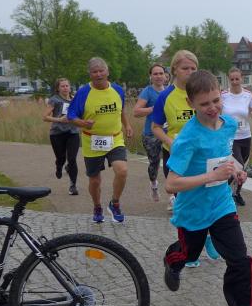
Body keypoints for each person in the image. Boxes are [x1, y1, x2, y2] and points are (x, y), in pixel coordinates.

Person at [162, 70, 252, 306]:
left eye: (216, 100)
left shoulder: (229, 124)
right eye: (204, 103)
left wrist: (237, 170)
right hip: (193, 212)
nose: (212, 108)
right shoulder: (188, 138)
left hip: (221, 205)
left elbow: (225, 156)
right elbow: (171, 183)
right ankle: (172, 262)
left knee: (240, 259)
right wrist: (212, 176)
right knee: (188, 254)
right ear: (191, 103)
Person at [67, 57, 133, 223]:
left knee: (122, 171)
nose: (98, 74)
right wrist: (83, 123)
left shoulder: (118, 90)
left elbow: (121, 110)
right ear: (89, 74)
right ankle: (97, 206)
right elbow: (71, 116)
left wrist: (127, 125)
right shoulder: (83, 92)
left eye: (101, 71)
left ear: (107, 71)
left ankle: (115, 203)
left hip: (115, 138)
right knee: (95, 180)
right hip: (92, 141)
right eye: (94, 72)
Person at [151, 50, 198, 212]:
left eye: (193, 68)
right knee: (183, 202)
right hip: (175, 154)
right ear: (174, 70)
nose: (190, 72)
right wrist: (170, 142)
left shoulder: (201, 92)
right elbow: (155, 127)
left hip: (199, 153)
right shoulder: (165, 96)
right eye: (185, 68)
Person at [221, 67, 252, 206]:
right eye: (232, 79)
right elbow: (217, 111)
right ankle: (223, 193)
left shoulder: (248, 95)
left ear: (241, 78)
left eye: (237, 79)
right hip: (230, 137)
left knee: (243, 167)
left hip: (245, 135)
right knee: (237, 165)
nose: (235, 82)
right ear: (229, 79)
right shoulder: (223, 95)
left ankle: (237, 193)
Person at [133, 63, 166, 202]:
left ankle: (173, 196)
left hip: (168, 133)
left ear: (165, 76)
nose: (158, 76)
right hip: (151, 134)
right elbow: (136, 112)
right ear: (150, 76)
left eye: (161, 73)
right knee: (154, 163)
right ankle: (154, 185)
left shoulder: (169, 91)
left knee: (171, 162)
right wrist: (154, 108)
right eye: (155, 74)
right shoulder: (147, 91)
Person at [43, 77, 80, 195]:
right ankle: (59, 166)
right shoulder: (54, 100)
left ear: (70, 87)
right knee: (61, 158)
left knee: (72, 159)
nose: (65, 88)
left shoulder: (75, 100)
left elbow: (80, 114)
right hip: (57, 133)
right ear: (58, 88)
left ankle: (73, 186)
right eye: (62, 86)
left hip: (73, 133)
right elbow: (45, 117)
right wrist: (59, 120)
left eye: (67, 86)